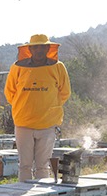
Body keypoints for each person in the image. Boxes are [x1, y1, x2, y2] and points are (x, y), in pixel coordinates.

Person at [5, 34, 71, 181]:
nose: (39, 50)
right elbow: (9, 92)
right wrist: (24, 106)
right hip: (23, 123)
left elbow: (65, 92)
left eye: (42, 47)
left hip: (48, 124)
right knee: (25, 165)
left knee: (43, 165)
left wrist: (50, 107)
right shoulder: (17, 68)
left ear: (48, 48)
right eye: (36, 47)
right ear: (30, 49)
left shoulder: (58, 67)